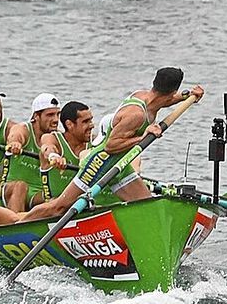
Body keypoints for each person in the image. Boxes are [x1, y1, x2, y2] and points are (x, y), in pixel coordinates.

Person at [22, 68, 203, 221]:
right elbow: (111, 145)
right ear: (170, 90)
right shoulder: (137, 114)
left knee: (147, 208)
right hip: (100, 164)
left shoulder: (147, 96)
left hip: (121, 166)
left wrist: (189, 95)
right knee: (59, 207)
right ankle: (19, 225)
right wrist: (143, 137)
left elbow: (168, 100)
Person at [2, 93, 62, 212]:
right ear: (36, 116)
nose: (55, 120)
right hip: (11, 189)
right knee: (20, 186)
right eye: (50, 115)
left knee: (60, 198)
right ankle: (15, 224)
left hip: (37, 194)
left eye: (57, 114)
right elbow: (15, 134)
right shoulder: (24, 129)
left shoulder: (56, 138)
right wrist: (15, 143)